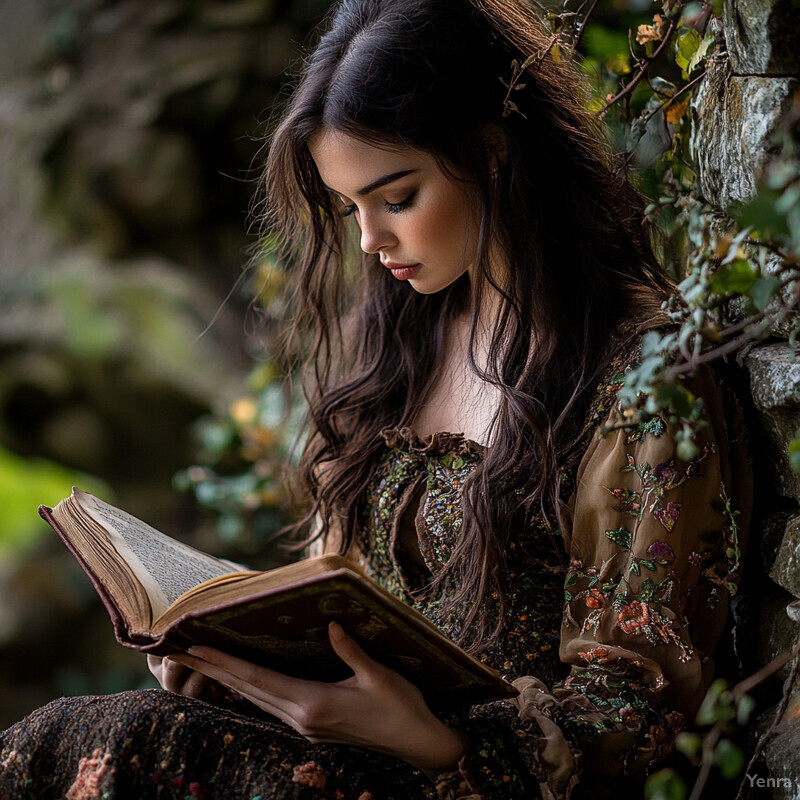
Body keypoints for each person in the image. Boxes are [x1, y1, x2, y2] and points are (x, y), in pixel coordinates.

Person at [0, 0, 751, 798]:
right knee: (79, 733)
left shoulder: (640, 376)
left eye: (395, 199)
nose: (369, 241)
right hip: (349, 754)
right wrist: (232, 662)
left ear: (492, 155)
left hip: (472, 779)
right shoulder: (403, 343)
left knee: (123, 746)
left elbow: (642, 709)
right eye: (350, 207)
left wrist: (425, 739)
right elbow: (346, 597)